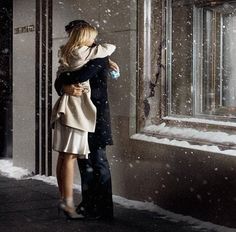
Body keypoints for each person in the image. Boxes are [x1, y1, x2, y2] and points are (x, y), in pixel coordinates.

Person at [54, 20, 119, 220]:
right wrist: (63, 85)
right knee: (85, 163)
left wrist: (64, 81)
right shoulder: (77, 55)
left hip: (96, 116)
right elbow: (60, 81)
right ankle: (89, 204)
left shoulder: (99, 56)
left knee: (98, 162)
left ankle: (104, 209)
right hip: (80, 115)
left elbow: (80, 75)